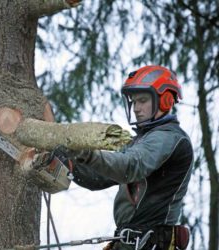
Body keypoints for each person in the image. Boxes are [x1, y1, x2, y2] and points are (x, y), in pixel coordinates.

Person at [53, 65, 194, 249]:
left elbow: (129, 166)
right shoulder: (139, 142)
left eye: (142, 100)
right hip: (130, 242)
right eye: (133, 102)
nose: (136, 108)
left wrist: (86, 152)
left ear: (165, 100)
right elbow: (97, 178)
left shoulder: (170, 138)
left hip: (151, 243)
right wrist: (65, 156)